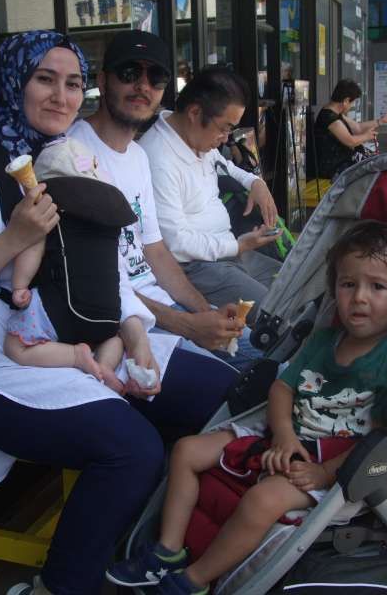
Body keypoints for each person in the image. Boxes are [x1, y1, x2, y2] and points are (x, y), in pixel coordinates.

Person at [0, 30, 237, 595]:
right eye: (45, 80)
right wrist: (13, 238)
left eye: (72, 83)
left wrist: (135, 334)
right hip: (2, 363)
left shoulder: (69, 158)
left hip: (88, 338)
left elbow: (107, 270)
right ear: (14, 82)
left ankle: (157, 542)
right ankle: (62, 583)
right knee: (132, 449)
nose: (61, 97)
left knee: (225, 397)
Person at [105, 220, 387, 594]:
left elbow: (381, 435)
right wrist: (283, 434)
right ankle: (168, 550)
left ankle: (194, 581)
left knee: (263, 499)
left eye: (377, 287)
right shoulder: (325, 341)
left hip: (336, 460)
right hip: (286, 434)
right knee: (188, 449)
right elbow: (283, 388)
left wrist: (324, 474)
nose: (360, 297)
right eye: (348, 284)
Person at [69, 30, 263, 370]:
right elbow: (98, 284)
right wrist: (188, 325)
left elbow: (155, 250)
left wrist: (205, 314)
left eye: (155, 76)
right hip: (125, 328)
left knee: (270, 362)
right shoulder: (74, 156)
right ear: (102, 80)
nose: (143, 86)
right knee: (250, 379)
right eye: (130, 72)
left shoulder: (137, 156)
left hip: (164, 305)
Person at [139, 66, 282, 319]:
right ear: (195, 112)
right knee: (275, 313)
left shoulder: (196, 138)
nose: (226, 138)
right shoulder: (158, 158)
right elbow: (176, 243)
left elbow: (226, 166)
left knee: (292, 286)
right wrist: (236, 245)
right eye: (225, 128)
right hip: (197, 266)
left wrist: (256, 183)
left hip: (228, 253)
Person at [4, 137, 133, 391]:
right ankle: (105, 366)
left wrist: (20, 286)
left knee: (14, 346)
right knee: (113, 338)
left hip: (62, 312)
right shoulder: (109, 210)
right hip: (107, 316)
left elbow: (33, 245)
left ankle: (76, 356)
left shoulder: (49, 206)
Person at [313, 79, 387, 179]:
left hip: (344, 163)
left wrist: (381, 121)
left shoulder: (336, 114)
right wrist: (366, 136)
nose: (352, 106)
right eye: (352, 102)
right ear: (346, 101)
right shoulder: (329, 118)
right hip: (335, 168)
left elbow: (358, 127)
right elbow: (350, 141)